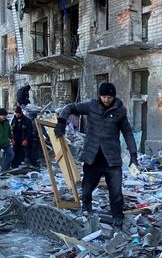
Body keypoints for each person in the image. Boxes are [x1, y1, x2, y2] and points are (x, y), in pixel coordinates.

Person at [56, 82, 137, 230]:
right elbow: (69, 108)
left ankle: (117, 216)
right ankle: (86, 210)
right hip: (92, 157)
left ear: (114, 96)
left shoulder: (120, 111)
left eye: (109, 97)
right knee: (87, 189)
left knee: (116, 192)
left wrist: (133, 156)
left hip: (112, 159)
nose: (106, 100)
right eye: (104, 96)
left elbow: (128, 133)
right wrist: (61, 122)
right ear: (99, 96)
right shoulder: (91, 106)